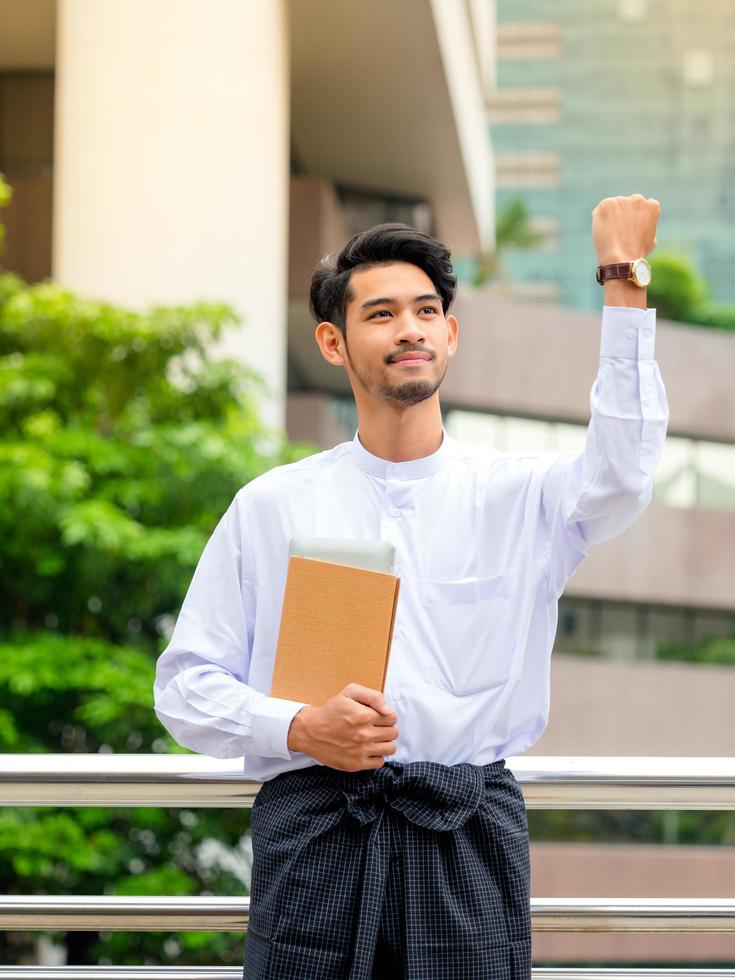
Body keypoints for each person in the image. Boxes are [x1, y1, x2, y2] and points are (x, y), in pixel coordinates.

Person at [153, 193, 669, 979]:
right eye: (382, 313)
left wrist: (622, 282)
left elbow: (626, 473)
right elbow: (184, 688)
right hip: (316, 828)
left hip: (465, 831)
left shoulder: (525, 495)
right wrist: (297, 726)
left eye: (426, 311)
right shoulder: (272, 504)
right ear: (333, 341)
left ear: (450, 334)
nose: (410, 329)